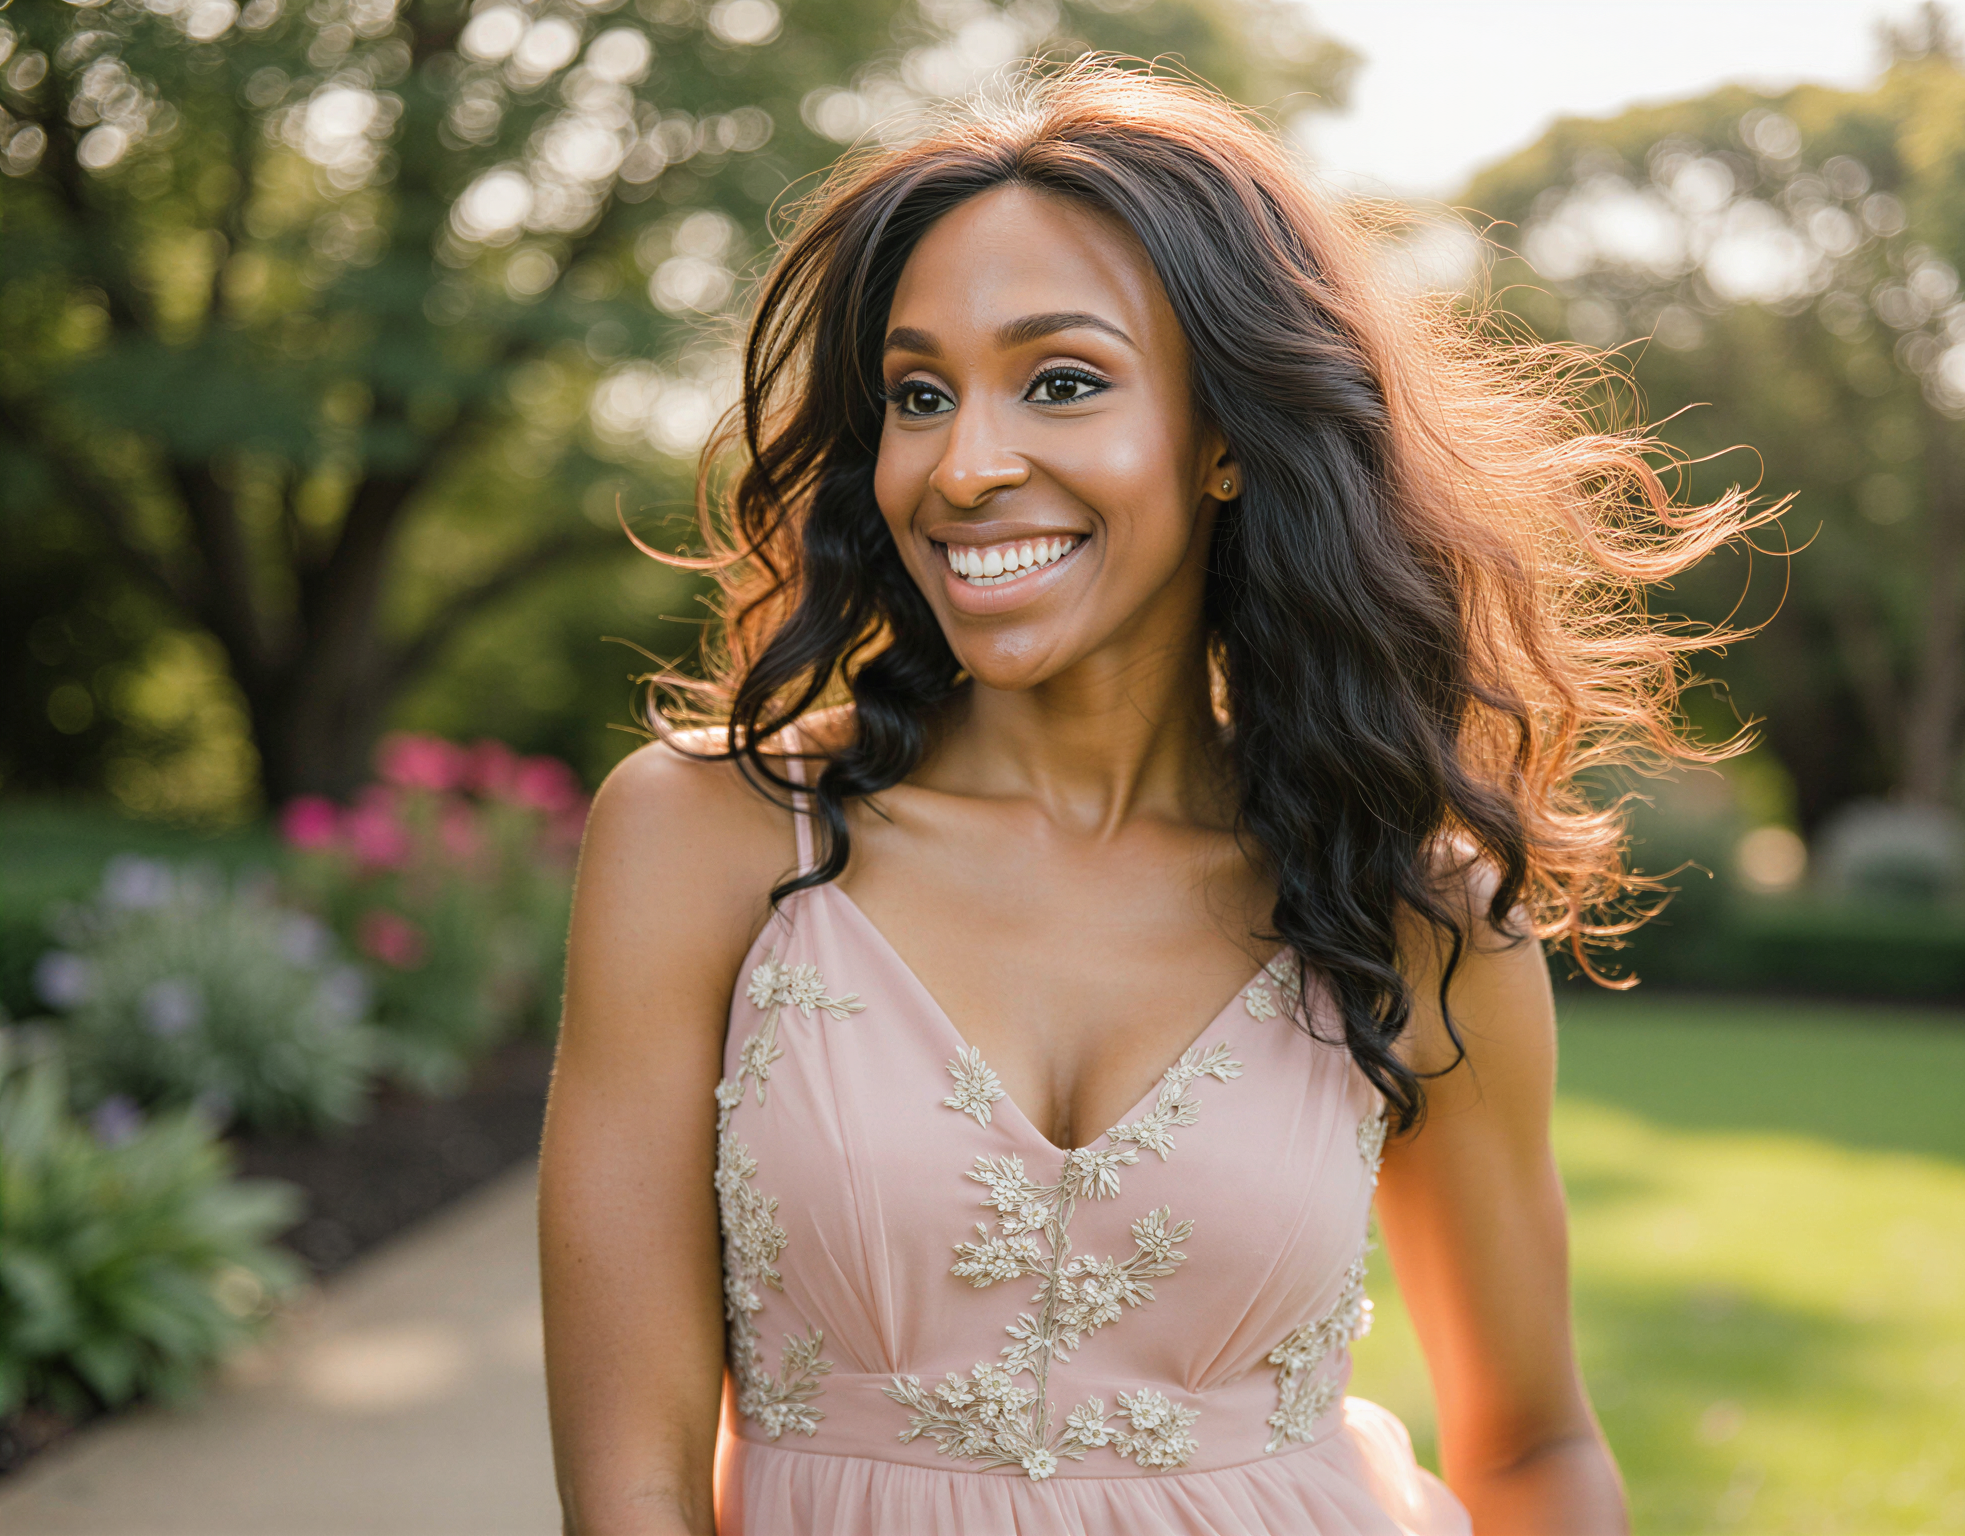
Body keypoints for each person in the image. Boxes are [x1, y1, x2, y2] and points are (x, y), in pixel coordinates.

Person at [539, 62, 1764, 1536]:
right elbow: (632, 1486)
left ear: (1229, 435)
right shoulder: (704, 837)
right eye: (918, 395)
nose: (965, 465)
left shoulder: (1415, 905)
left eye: (1061, 380)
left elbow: (1531, 1451)